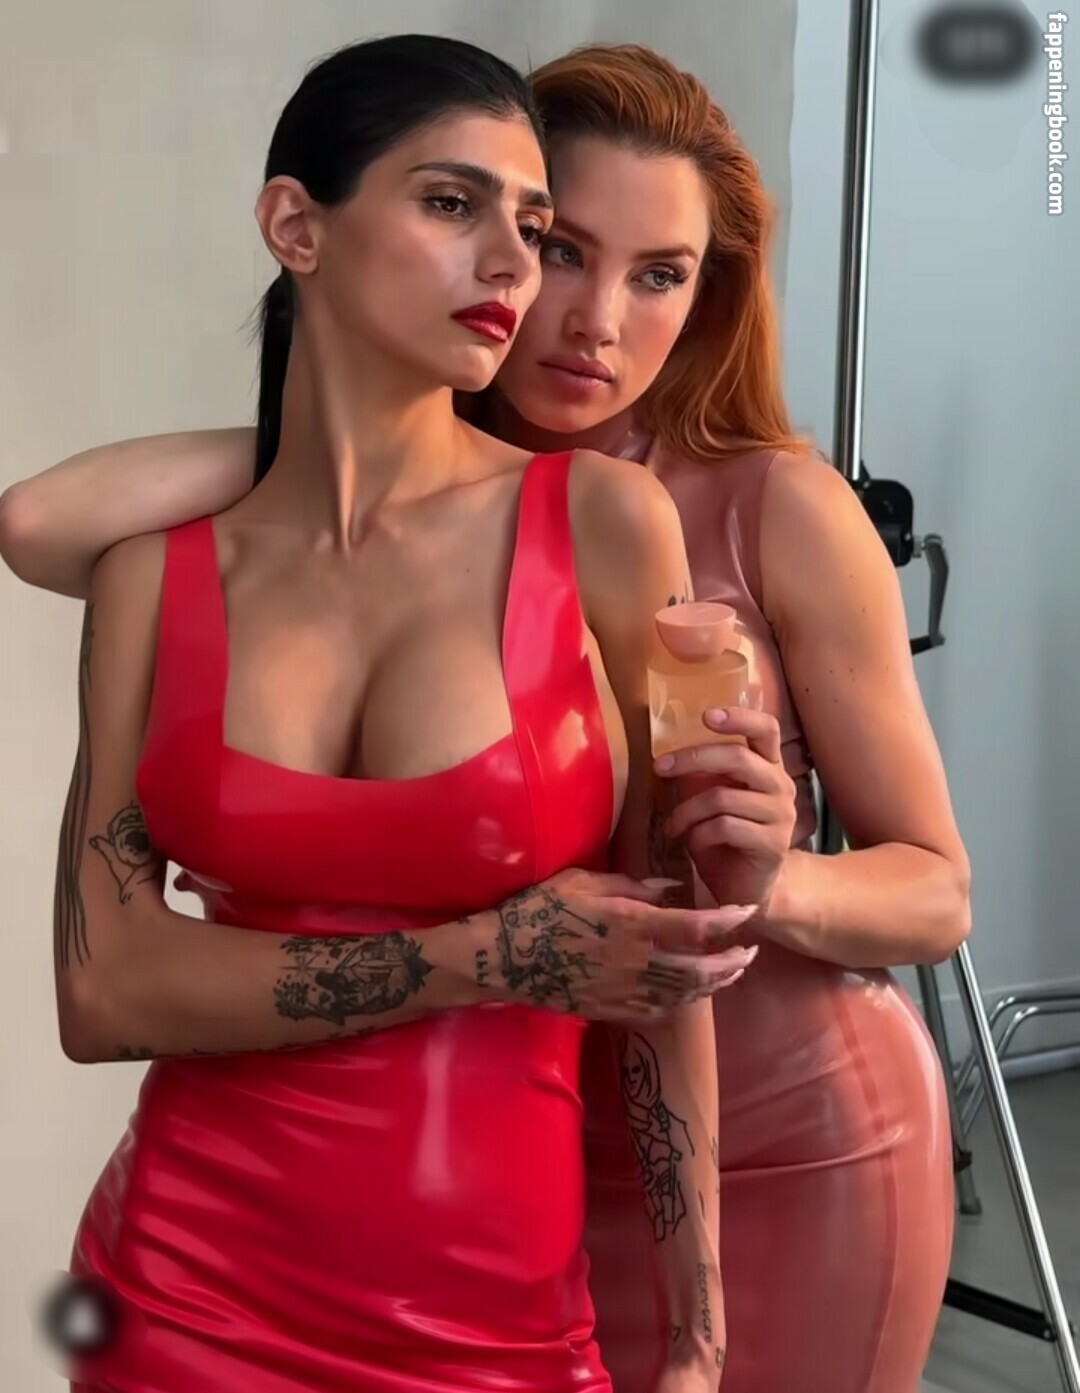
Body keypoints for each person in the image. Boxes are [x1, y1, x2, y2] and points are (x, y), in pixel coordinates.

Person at [0, 39, 973, 1393]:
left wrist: (763, 880)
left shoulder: (673, 520)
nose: (570, 304)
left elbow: (836, 904)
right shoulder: (179, 565)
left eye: (658, 274)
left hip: (748, 1137)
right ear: (298, 226)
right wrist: (336, 446)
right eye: (551, 242)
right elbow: (100, 980)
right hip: (196, 1271)